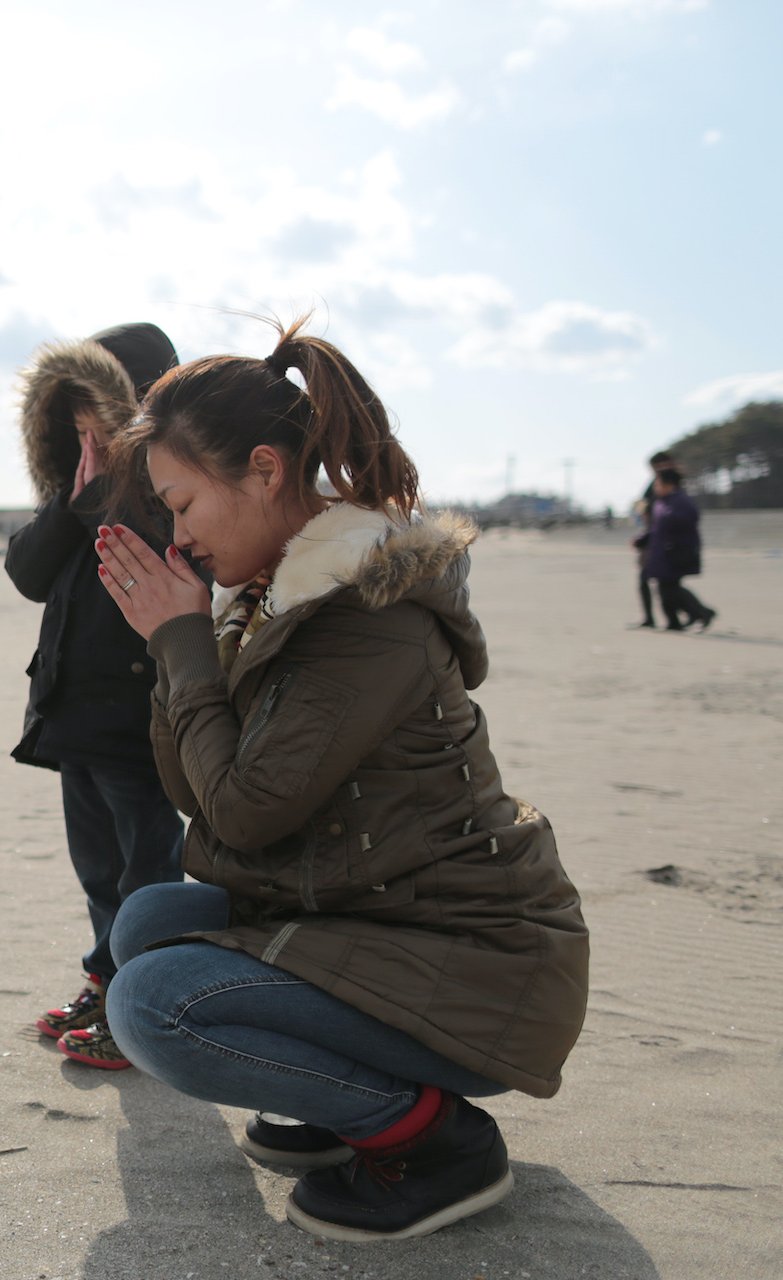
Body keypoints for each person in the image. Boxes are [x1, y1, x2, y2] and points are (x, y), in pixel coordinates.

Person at [84, 318, 589, 1241]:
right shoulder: (273, 597)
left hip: (481, 964)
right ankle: (339, 1103)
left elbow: (243, 808)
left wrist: (181, 641)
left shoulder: (364, 612)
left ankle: (435, 1142)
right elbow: (200, 793)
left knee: (153, 1006)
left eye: (184, 504)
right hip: (374, 915)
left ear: (266, 471)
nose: (179, 533)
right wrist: (177, 647)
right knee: (148, 921)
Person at [4, 322, 191, 1069]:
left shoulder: (165, 491)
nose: (88, 434)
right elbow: (26, 573)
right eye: (73, 420)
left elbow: (161, 562)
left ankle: (146, 1005)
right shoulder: (73, 491)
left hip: (140, 720)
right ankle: (108, 985)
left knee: (147, 873)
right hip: (71, 713)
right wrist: (71, 503)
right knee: (97, 870)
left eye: (99, 417)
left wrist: (108, 495)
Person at [644, 468, 714, 631]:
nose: (656, 487)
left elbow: (690, 519)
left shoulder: (681, 500)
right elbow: (656, 528)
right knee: (665, 588)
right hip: (662, 552)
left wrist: (670, 517)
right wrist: (643, 540)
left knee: (670, 588)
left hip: (676, 552)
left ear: (669, 484)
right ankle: (674, 621)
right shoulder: (662, 502)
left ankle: (701, 613)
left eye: (658, 483)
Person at [630, 450, 678, 628]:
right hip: (652, 536)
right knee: (654, 582)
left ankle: (694, 613)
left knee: (666, 584)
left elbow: (658, 513)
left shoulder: (671, 484)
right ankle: (655, 618)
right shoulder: (655, 483)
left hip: (658, 539)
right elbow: (643, 504)